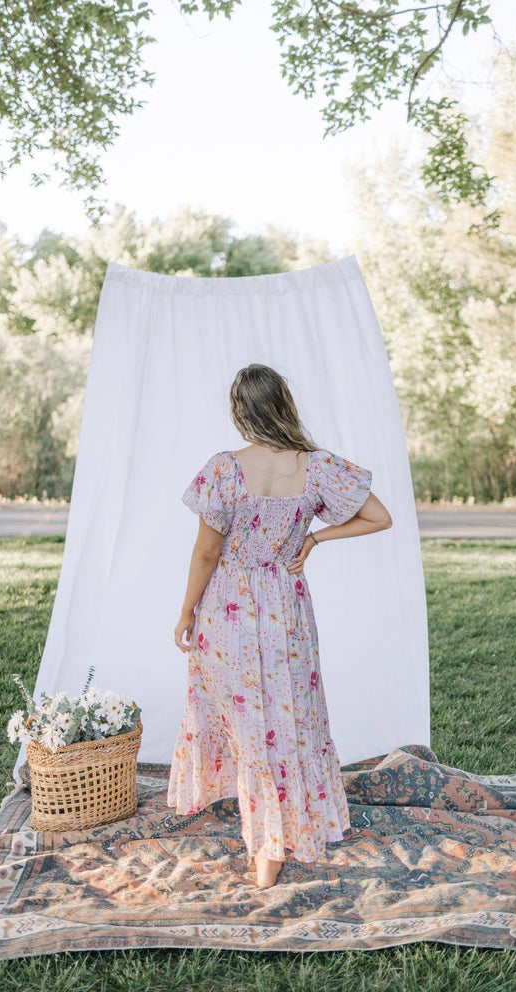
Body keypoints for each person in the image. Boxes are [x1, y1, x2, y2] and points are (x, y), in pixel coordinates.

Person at [167, 363, 393, 889]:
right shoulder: (317, 466)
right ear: (283, 404)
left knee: (249, 726)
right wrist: (313, 538)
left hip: (228, 608)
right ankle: (283, 836)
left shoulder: (224, 469)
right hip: (286, 609)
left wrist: (186, 611)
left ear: (240, 411)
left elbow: (207, 553)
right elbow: (380, 517)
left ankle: (265, 846)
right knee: (288, 719)